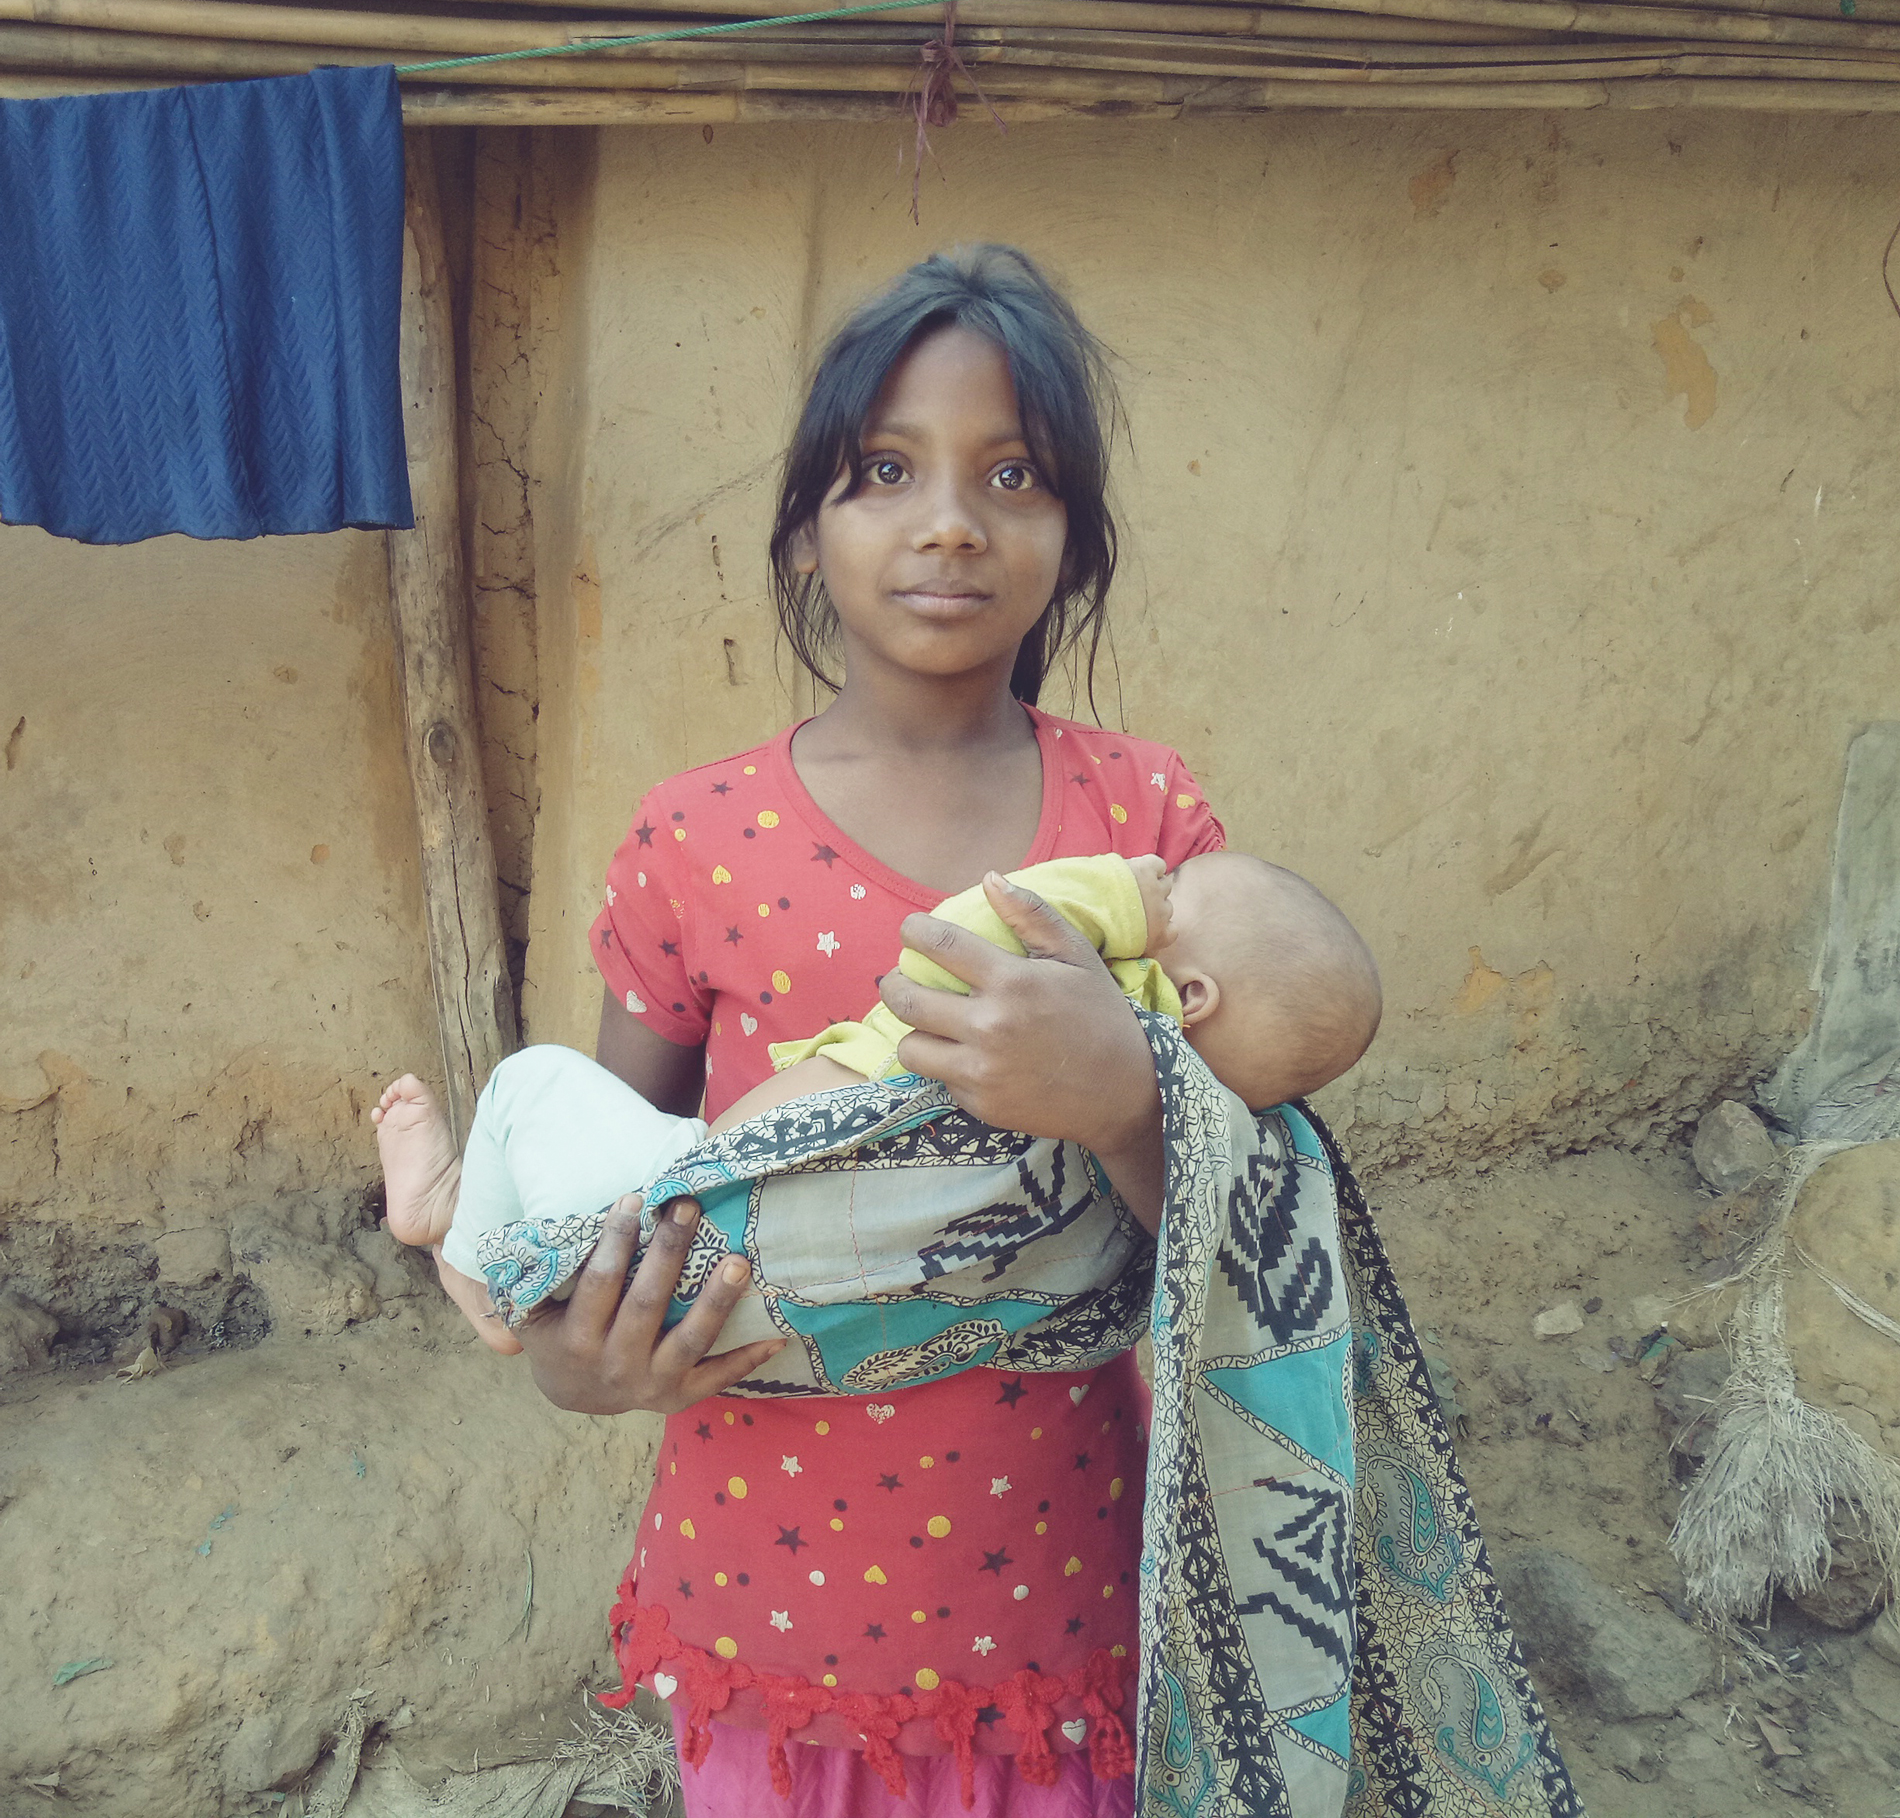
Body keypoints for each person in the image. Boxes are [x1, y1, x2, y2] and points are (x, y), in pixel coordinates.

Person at [385, 245, 1379, 1814]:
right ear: (806, 524)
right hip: (773, 1600)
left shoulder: (1148, 831)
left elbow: (1239, 1219)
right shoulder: (694, 837)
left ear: (1076, 536)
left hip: (1066, 1590)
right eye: (883, 470)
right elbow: (631, 1193)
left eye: (1014, 474)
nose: (951, 523)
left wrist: (1124, 1094)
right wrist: (577, 1368)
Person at [374, 848, 1379, 1343]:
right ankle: (473, 1229)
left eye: (1178, 892)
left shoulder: (1083, 1013)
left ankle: (459, 1234)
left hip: (697, 1196)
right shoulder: (1172, 1118)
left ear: (1189, 994)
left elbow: (960, 930)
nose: (1160, 875)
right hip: (743, 1245)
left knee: (532, 1079)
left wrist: (1114, 892)